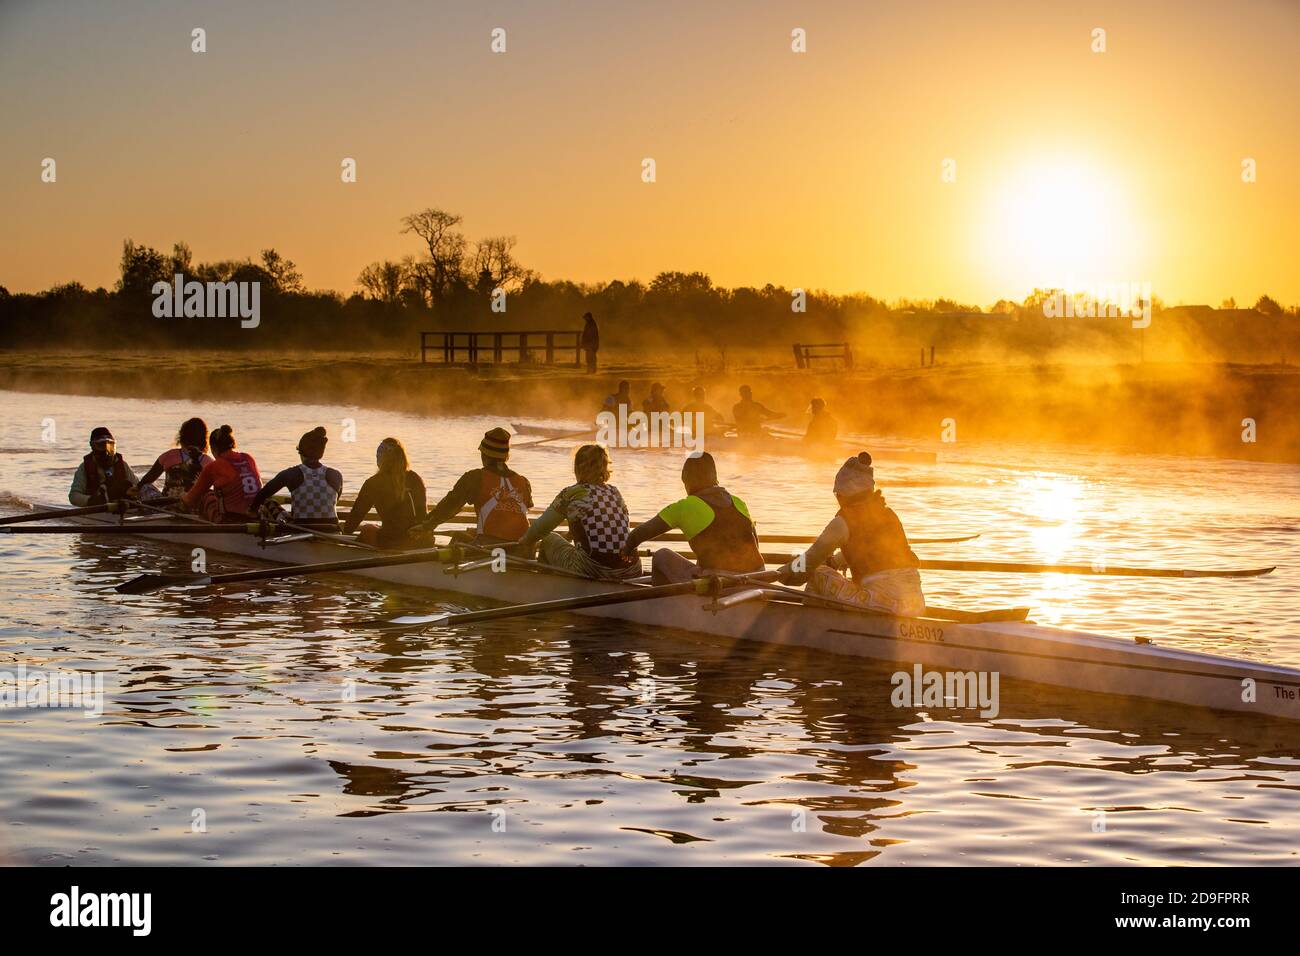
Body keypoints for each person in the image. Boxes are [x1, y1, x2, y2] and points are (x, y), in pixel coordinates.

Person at [777, 452, 925, 617]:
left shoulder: (843, 522)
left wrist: (782, 573)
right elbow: (870, 550)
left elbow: (809, 560)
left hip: (884, 601)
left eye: (837, 495)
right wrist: (835, 561)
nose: (837, 499)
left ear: (844, 494)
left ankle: (809, 628)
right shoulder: (887, 514)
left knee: (817, 574)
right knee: (829, 571)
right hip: (915, 603)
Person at [621, 451, 764, 584]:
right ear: (714, 477)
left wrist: (628, 549)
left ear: (686, 479)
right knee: (702, 563)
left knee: (661, 555)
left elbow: (640, 534)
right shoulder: (739, 502)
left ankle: (663, 606)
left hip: (720, 583)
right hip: (756, 578)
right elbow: (755, 545)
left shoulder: (685, 507)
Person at [510, 444, 642, 580]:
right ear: (604, 467)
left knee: (549, 539)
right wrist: (570, 535)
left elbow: (540, 528)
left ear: (577, 468)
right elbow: (601, 526)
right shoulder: (615, 492)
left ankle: (542, 589)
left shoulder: (572, 493)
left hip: (594, 569)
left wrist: (525, 541)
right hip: (632, 569)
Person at [420, 427, 534, 545]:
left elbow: (450, 506)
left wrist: (426, 526)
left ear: (484, 455)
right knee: (474, 534)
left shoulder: (475, 477)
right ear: (506, 457)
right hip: (523, 549)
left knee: (458, 537)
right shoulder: (524, 482)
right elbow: (513, 515)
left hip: (490, 548)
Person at [250, 426, 343, 530]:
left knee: (268, 502)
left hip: (301, 529)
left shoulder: (291, 473)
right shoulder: (336, 474)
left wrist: (253, 509)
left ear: (301, 452)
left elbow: (262, 495)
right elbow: (333, 500)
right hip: (332, 529)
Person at [342, 437, 426, 548]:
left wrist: (344, 532)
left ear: (381, 459)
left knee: (368, 529)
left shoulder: (373, 483)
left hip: (393, 541)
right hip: (422, 541)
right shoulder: (415, 478)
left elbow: (356, 515)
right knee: (375, 528)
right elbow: (423, 515)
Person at [180, 425, 263, 523]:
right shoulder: (248, 458)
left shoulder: (214, 466)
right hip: (256, 516)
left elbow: (190, 500)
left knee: (206, 494)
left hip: (230, 521)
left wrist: (182, 496)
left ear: (213, 448)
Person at [135, 417, 212, 499]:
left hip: (167, 503)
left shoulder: (168, 456)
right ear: (204, 440)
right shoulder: (208, 461)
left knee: (145, 487)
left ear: (181, 437)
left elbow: (146, 480)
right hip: (193, 505)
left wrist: (134, 489)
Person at [69, 426, 140, 506]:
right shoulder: (84, 468)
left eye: (110, 446)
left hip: (123, 506)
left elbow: (138, 487)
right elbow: (73, 496)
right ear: (93, 447)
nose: (106, 451)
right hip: (97, 508)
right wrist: (95, 500)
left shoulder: (122, 465)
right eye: (101, 446)